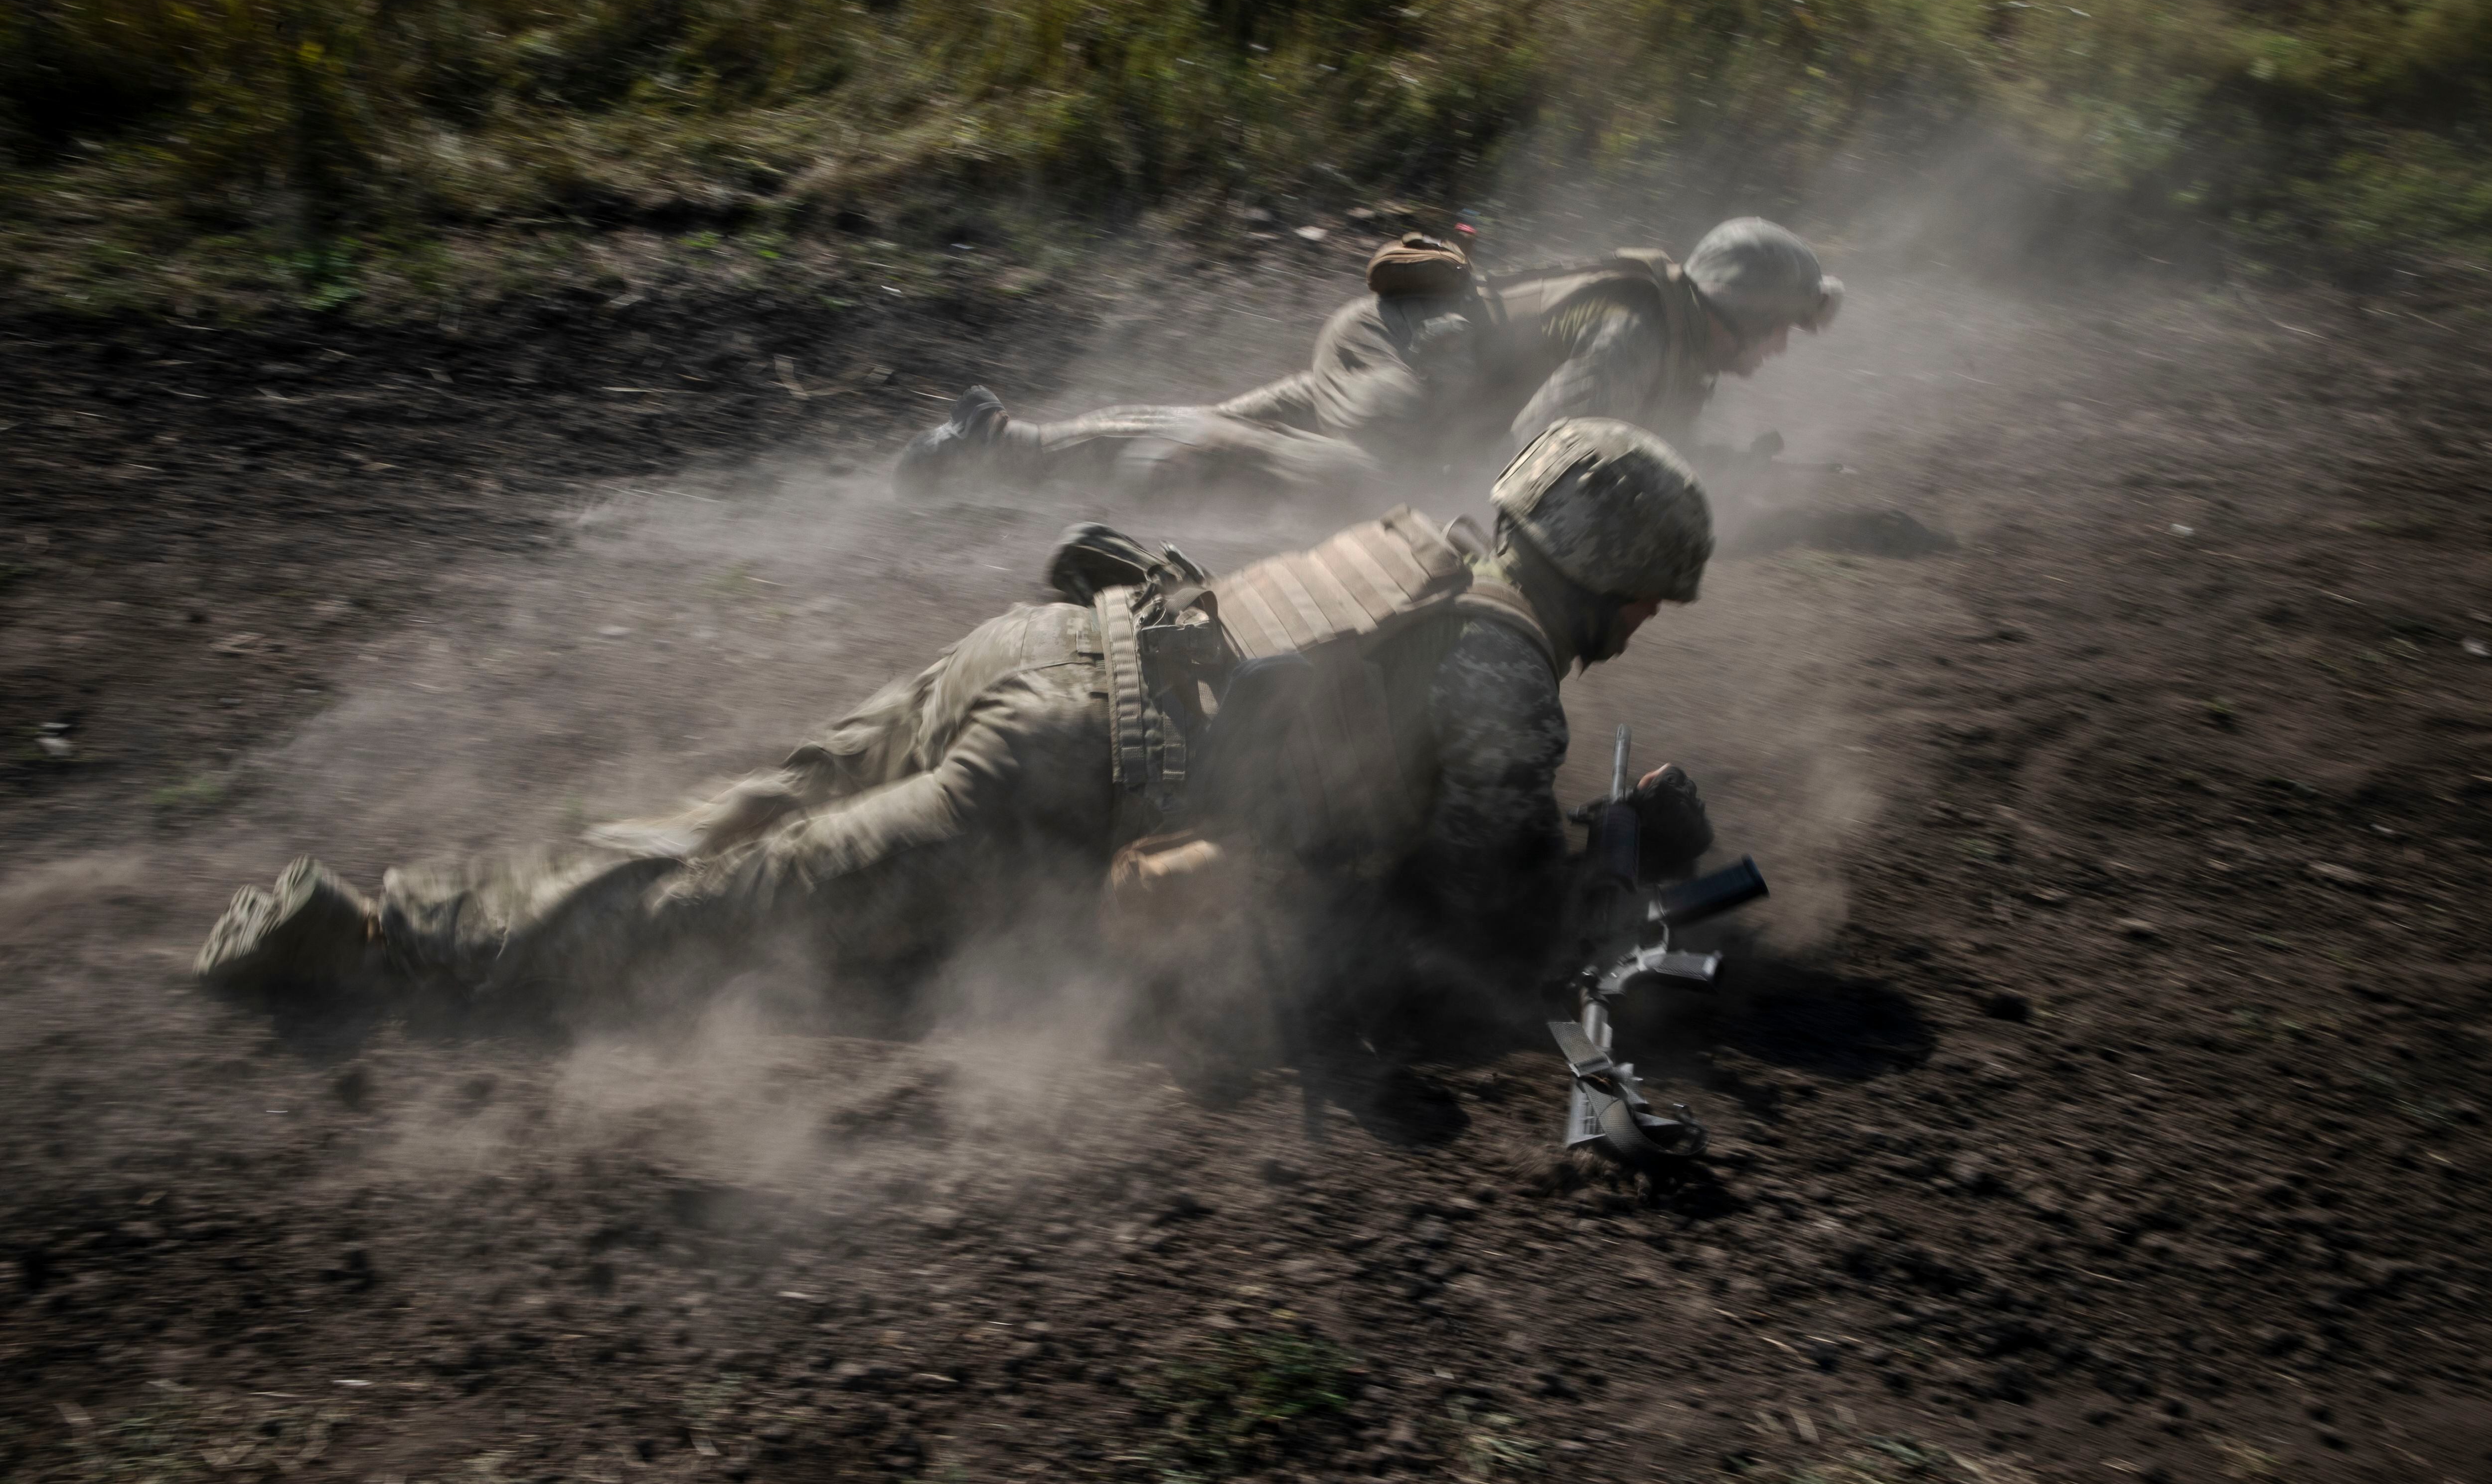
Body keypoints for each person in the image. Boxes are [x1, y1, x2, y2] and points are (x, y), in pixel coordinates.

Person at [196, 419, 1722, 1048]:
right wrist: (1621, 849)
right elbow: (1475, 905)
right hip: (1054, 778)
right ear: (1602, 570)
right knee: (743, 906)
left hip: (1038, 652)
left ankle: (438, 908)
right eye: (1649, 596)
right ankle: (382, 939)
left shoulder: (1425, 550)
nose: (1646, 625)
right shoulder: (1506, 675)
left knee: (735, 814)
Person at [894, 217, 1840, 499]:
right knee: (1360, 482)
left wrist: (1710, 473)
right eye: (1785, 324)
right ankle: (1031, 456)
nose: (1787, 343)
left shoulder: (1675, 340)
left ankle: (989, 445)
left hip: (1403, 357)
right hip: (1400, 366)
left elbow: (1623, 437)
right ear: (1739, 312)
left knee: (1240, 434)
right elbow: (1537, 444)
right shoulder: (1640, 333)